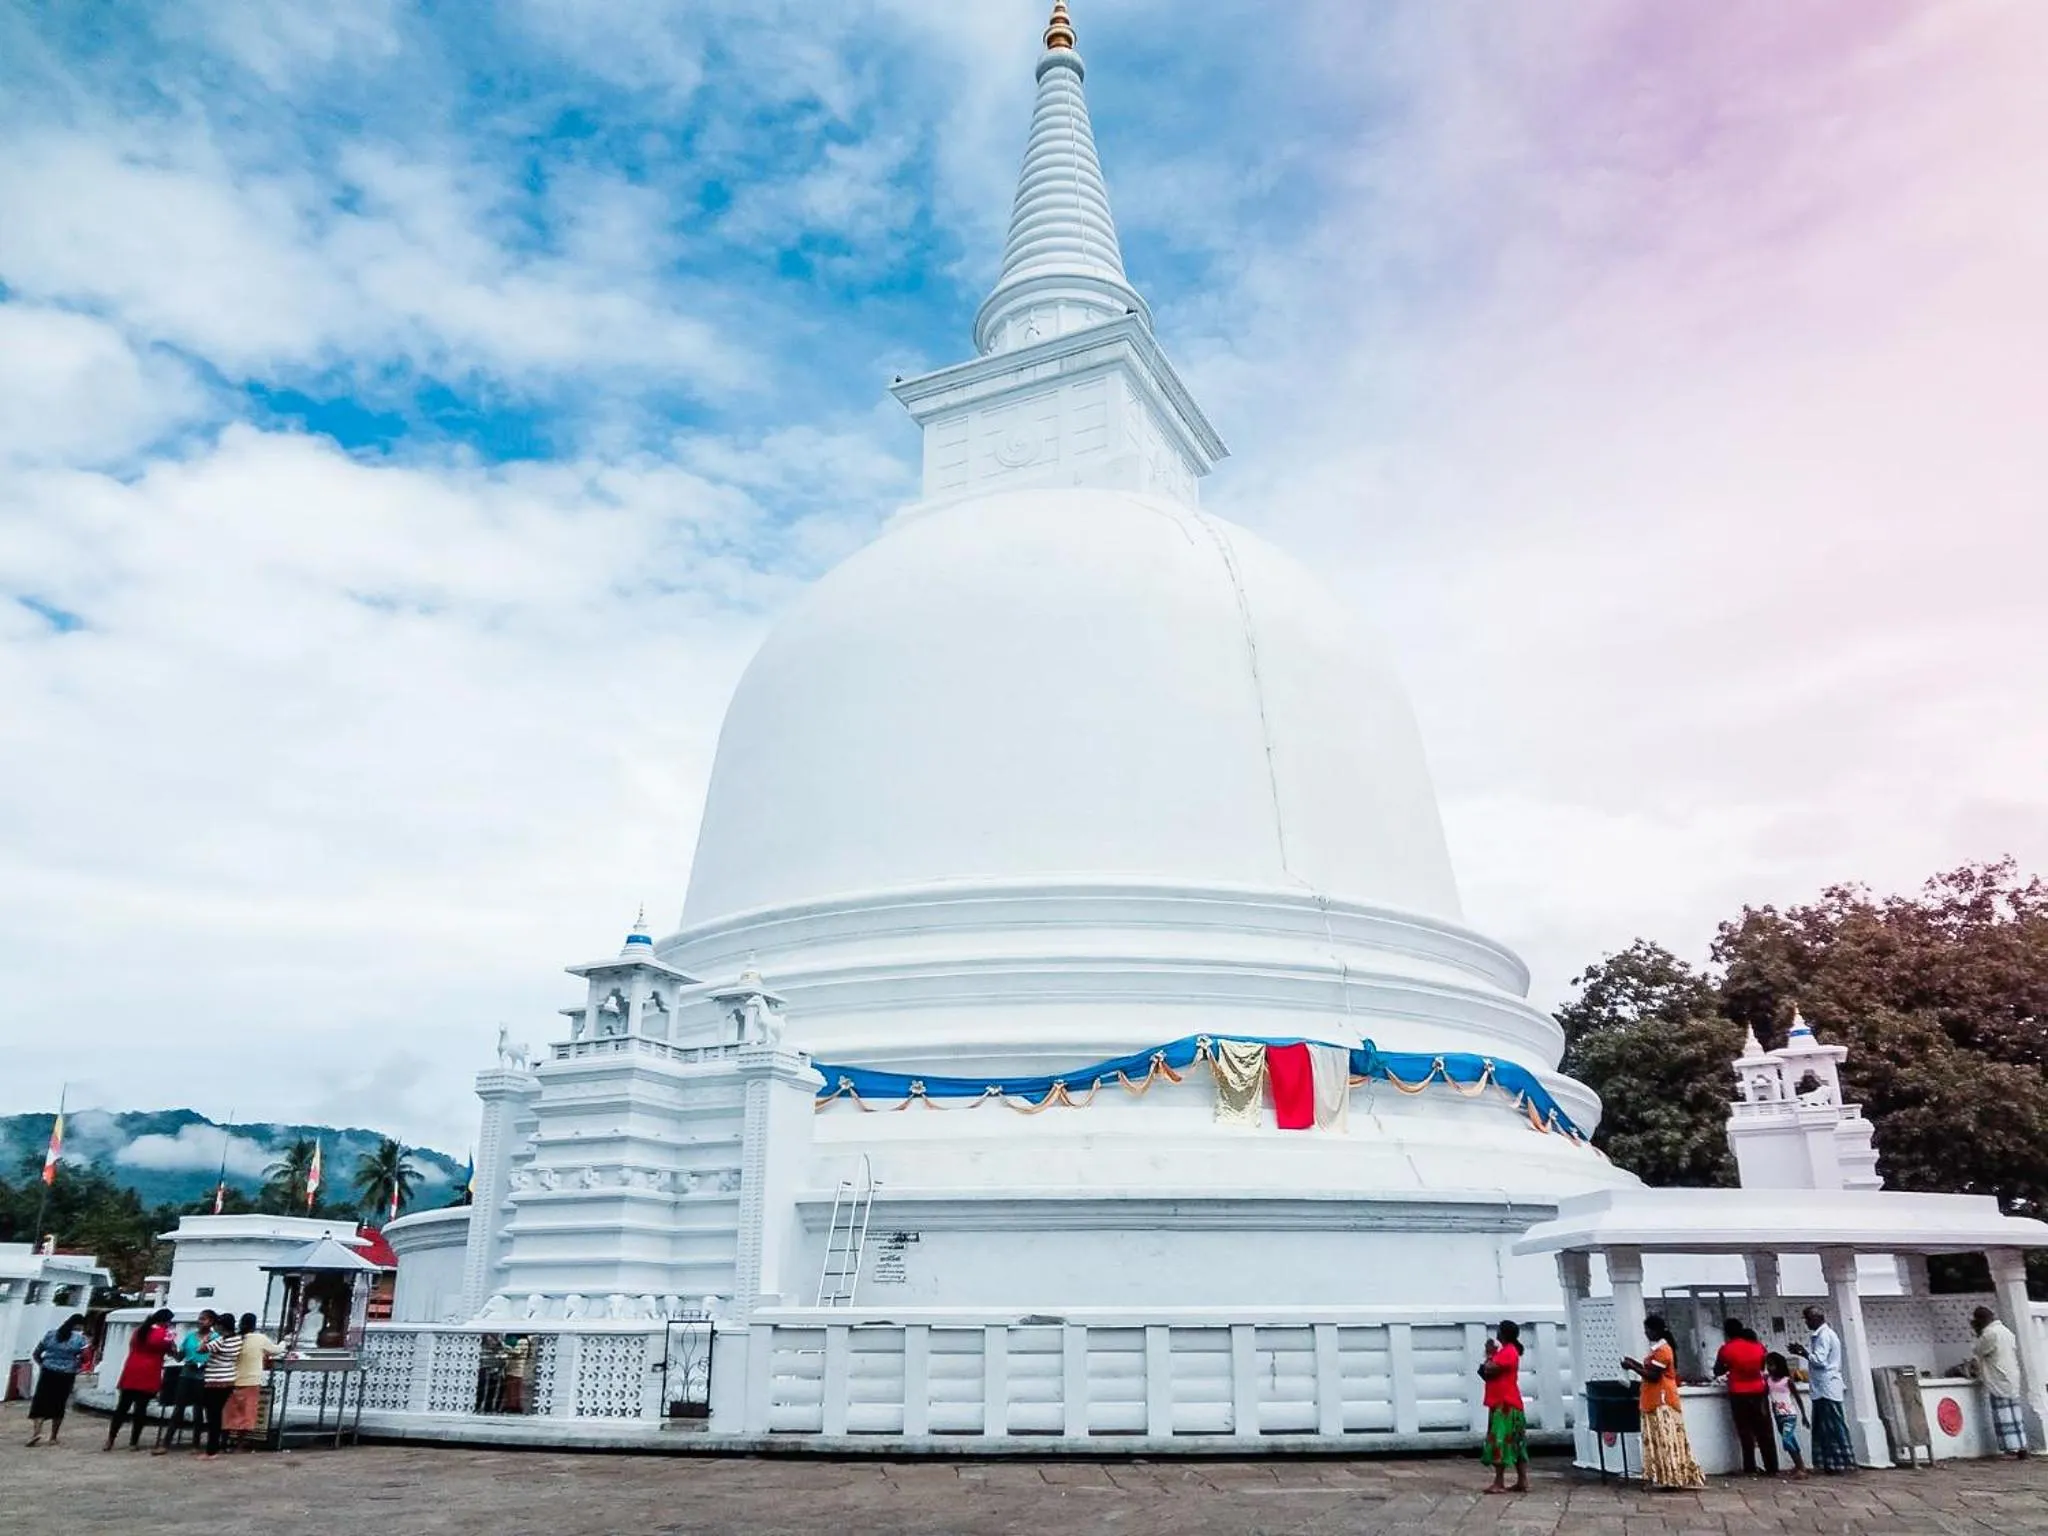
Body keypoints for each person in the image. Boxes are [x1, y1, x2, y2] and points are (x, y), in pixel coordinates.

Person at [1623, 1313, 1706, 1489]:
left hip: (1662, 1402)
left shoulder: (1663, 1351)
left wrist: (1633, 1367)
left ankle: (1671, 1477)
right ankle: (1663, 1477)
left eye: (1649, 1330)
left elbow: (1653, 1376)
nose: (1646, 1333)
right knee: (1658, 1440)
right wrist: (1635, 1365)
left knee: (1666, 1440)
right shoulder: (1658, 1350)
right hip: (1653, 1399)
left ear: (1657, 1331)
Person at [1788, 1305, 1855, 1472]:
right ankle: (1831, 1462)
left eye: (1808, 1319)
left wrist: (1803, 1353)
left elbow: (1820, 1360)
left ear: (1816, 1319)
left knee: (1832, 1426)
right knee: (1824, 1427)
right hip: (1823, 1387)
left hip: (1827, 1387)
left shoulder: (1824, 1336)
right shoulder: (1823, 1335)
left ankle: (1840, 1462)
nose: (1806, 1323)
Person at [1712, 1319, 1777, 1475]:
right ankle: (1772, 1467)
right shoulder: (1758, 1347)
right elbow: (1764, 1366)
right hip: (1759, 1391)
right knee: (1765, 1430)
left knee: (1745, 1430)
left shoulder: (1726, 1349)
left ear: (1727, 1333)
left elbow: (1718, 1370)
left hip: (1738, 1393)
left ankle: (1750, 1467)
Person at [105, 1308, 176, 1451]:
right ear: (166, 1321)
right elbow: (172, 1351)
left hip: (132, 1369)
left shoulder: (140, 1330)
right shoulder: (165, 1334)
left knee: (122, 1408)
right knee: (141, 1409)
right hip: (149, 1372)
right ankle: (133, 1442)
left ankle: (110, 1439)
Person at [25, 1314, 93, 1447]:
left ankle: (36, 1433)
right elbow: (86, 1358)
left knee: (40, 1402)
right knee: (59, 1403)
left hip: (48, 1372)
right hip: (66, 1375)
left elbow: (36, 1353)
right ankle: (53, 1437)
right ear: (80, 1326)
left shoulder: (51, 1334)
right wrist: (77, 1363)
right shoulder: (80, 1339)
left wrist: (43, 1364)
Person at [1970, 1306, 2029, 1459]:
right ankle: (2021, 1445)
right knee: (2015, 1413)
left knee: (2003, 1414)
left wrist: (1977, 1333)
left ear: (1982, 1320)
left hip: (1997, 1378)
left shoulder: (1990, 1334)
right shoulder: (2005, 1331)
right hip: (2010, 1375)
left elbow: (1978, 1350)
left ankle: (2011, 1448)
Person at [1477, 1319, 1528, 1494]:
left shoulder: (1507, 1352)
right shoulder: (1509, 1351)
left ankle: (1499, 1482)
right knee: (1516, 1443)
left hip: (1504, 1403)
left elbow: (1489, 1369)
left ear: (1504, 1334)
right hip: (1509, 1402)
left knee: (1500, 1441)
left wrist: (1490, 1354)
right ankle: (1522, 1481)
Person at [154, 1310, 215, 1454]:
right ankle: (166, 1442)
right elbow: (180, 1357)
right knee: (178, 1408)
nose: (201, 1322)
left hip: (203, 1375)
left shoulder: (215, 1338)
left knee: (198, 1410)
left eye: (204, 1319)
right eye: (200, 1319)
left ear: (211, 1322)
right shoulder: (190, 1337)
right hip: (186, 1373)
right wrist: (172, 1349)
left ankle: (196, 1443)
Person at [225, 1311, 282, 1450]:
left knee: (231, 1413)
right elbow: (276, 1350)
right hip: (251, 1381)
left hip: (232, 1380)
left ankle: (225, 1442)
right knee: (247, 1413)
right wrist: (284, 1342)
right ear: (254, 1325)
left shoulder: (235, 1338)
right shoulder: (259, 1338)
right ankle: (239, 1444)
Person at [200, 1310, 242, 1458]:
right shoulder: (237, 1340)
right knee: (217, 1415)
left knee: (213, 1416)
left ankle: (211, 1450)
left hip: (215, 1381)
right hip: (229, 1380)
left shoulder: (220, 1341)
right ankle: (216, 1447)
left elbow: (201, 1350)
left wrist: (205, 1340)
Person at [1766, 1351, 1809, 1478]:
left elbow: (1797, 1398)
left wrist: (1804, 1416)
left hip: (1789, 1414)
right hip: (1778, 1415)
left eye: (1772, 1365)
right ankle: (1798, 1465)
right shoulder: (1768, 1380)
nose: (1769, 1368)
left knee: (1787, 1439)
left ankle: (1801, 1466)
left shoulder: (1787, 1381)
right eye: (1768, 1365)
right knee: (1790, 1440)